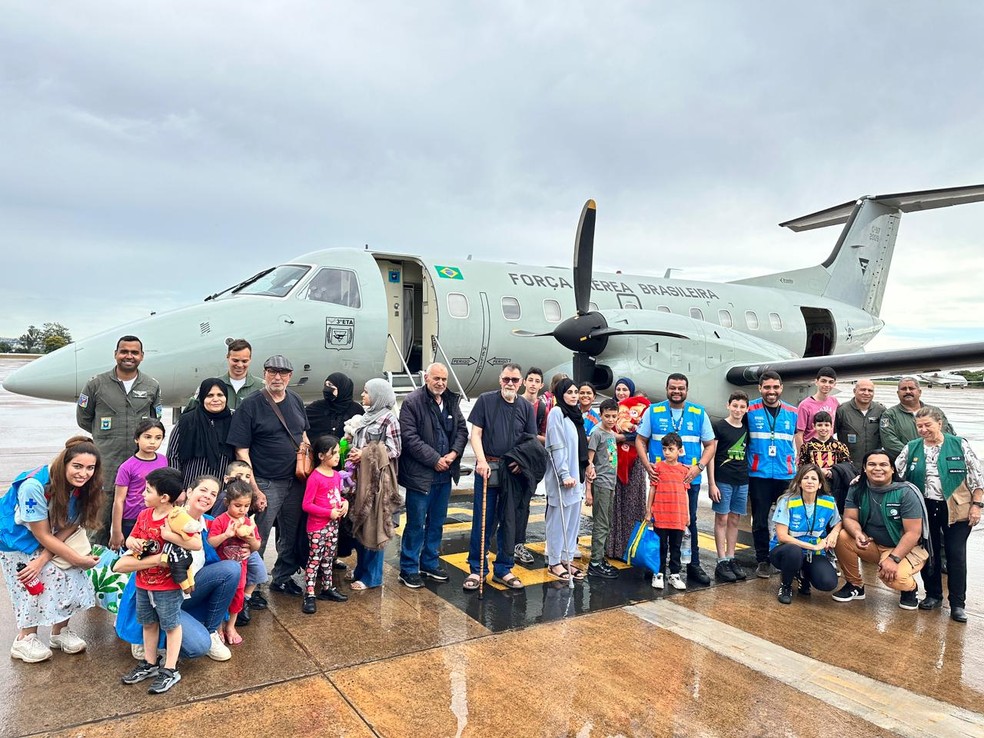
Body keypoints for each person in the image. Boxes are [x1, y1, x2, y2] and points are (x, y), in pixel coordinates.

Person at [114, 475, 240, 664]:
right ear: (188, 492)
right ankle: (146, 633)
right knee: (198, 647)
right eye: (203, 490)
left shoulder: (208, 523)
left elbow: (229, 550)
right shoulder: (164, 519)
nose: (207, 496)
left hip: (186, 592)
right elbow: (122, 565)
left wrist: (247, 548)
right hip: (158, 593)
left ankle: (211, 629)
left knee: (231, 569)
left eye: (213, 494)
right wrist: (159, 557)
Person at [1, 437, 102, 664]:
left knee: (70, 577)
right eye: (77, 466)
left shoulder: (86, 485)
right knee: (31, 583)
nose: (83, 473)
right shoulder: (33, 487)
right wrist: (73, 557)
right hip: (16, 539)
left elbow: (72, 523)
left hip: (51, 534)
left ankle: (59, 632)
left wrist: (49, 558)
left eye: (90, 468)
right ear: (64, 463)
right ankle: (25, 639)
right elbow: (41, 534)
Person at [227, 355, 310, 597]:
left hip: (295, 480)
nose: (277, 377)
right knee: (257, 537)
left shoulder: (295, 399)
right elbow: (241, 450)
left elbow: (303, 434)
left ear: (290, 376)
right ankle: (250, 588)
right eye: (272, 372)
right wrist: (255, 488)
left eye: (283, 373)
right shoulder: (251, 404)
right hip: (266, 481)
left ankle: (282, 578)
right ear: (264, 373)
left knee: (291, 532)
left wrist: (307, 466)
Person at [895, 407, 984, 622]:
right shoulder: (912, 447)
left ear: (940, 424)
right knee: (930, 553)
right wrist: (862, 478)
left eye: (928, 425)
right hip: (924, 508)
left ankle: (957, 603)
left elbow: (977, 476)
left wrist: (977, 505)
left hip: (957, 508)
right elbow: (894, 472)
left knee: (955, 555)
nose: (924, 429)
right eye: (920, 426)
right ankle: (933, 595)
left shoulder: (958, 444)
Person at [120, 468, 202, 694]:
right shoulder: (145, 515)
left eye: (147, 491)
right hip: (144, 580)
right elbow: (132, 537)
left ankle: (170, 669)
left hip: (167, 584)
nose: (142, 494)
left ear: (164, 497)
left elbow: (196, 544)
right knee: (148, 623)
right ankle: (149, 662)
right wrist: (132, 543)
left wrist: (169, 537)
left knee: (171, 625)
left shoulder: (177, 517)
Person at [77, 335, 162, 545]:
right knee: (97, 527)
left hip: (139, 469)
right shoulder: (96, 384)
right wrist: (106, 438)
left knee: (138, 530)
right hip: (106, 465)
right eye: (124, 351)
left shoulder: (151, 385)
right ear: (116, 354)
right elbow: (84, 418)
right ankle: (94, 572)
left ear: (141, 356)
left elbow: (154, 420)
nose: (129, 356)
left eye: (134, 352)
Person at [635, 373, 715, 585]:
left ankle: (692, 566)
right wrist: (646, 465)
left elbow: (710, 444)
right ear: (666, 388)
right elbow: (640, 440)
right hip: (660, 481)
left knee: (689, 523)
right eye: (673, 388)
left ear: (687, 390)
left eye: (681, 388)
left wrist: (699, 468)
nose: (676, 391)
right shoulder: (654, 411)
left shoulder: (699, 413)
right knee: (659, 525)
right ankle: (656, 567)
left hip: (688, 480)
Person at [464, 364, 538, 591]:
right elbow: (476, 434)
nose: (510, 384)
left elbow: (530, 440)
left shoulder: (525, 407)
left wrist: (521, 463)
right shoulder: (486, 400)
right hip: (489, 467)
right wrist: (481, 461)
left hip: (512, 472)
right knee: (483, 520)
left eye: (515, 380)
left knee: (509, 521)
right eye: (507, 379)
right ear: (500, 379)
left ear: (521, 383)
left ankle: (504, 569)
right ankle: (477, 570)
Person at [397, 363, 468, 589]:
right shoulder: (412, 402)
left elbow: (462, 431)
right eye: (436, 378)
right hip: (421, 476)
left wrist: (454, 454)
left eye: (444, 379)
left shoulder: (450, 401)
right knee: (416, 524)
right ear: (426, 377)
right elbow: (409, 438)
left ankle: (429, 562)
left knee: (437, 523)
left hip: (444, 475)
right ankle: (408, 568)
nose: (440, 383)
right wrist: (435, 459)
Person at [832, 449, 929, 610]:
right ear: (864, 468)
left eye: (883, 464)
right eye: (872, 464)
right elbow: (849, 518)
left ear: (892, 469)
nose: (877, 468)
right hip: (873, 545)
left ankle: (911, 589)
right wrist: (858, 533)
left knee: (894, 578)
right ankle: (855, 584)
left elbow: (913, 533)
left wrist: (893, 559)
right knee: (842, 536)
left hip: (904, 549)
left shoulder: (906, 492)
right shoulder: (857, 488)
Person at [346, 378, 402, 590]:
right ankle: (362, 570)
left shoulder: (389, 419)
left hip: (378, 483)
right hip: (360, 480)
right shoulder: (366, 417)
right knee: (360, 525)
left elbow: (394, 450)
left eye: (367, 392)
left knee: (375, 526)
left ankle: (373, 577)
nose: (362, 395)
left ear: (379, 395)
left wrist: (365, 453)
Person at [746, 371, 798, 579]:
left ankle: (786, 556)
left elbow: (800, 441)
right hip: (759, 473)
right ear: (760, 389)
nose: (771, 391)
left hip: (785, 474)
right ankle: (763, 560)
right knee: (759, 519)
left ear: (781, 388)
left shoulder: (792, 412)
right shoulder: (750, 410)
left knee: (788, 519)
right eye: (767, 387)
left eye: (775, 387)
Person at [768, 465, 842, 605]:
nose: (809, 481)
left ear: (820, 484)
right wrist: (812, 547)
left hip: (812, 553)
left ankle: (803, 575)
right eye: (805, 478)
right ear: (799, 482)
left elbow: (838, 522)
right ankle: (786, 585)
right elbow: (782, 536)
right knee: (794, 551)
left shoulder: (828, 502)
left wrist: (834, 533)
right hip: (785, 550)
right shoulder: (787, 501)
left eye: (814, 478)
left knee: (828, 582)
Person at [544, 379, 589, 582]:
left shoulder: (576, 415)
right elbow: (556, 446)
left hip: (576, 476)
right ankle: (554, 562)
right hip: (563, 478)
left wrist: (587, 467)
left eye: (575, 392)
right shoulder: (557, 413)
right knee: (558, 520)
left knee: (572, 522)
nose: (573, 395)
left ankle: (566, 558)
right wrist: (564, 474)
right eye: (569, 392)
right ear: (560, 394)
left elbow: (580, 446)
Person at [206, 480, 261, 643]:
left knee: (237, 599)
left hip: (240, 569)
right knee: (220, 599)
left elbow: (257, 545)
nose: (242, 510)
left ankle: (231, 626)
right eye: (238, 505)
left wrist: (251, 541)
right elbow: (210, 543)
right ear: (227, 502)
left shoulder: (249, 522)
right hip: (221, 569)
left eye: (246, 506)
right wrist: (226, 535)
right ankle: (218, 627)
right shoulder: (220, 521)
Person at [301, 434, 349, 612]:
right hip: (317, 527)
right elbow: (306, 504)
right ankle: (310, 593)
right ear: (321, 456)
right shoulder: (315, 477)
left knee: (329, 558)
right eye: (333, 453)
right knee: (315, 559)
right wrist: (328, 512)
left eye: (338, 452)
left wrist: (345, 502)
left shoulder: (336, 475)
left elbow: (337, 496)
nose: (338, 456)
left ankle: (327, 588)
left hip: (333, 525)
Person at [707, 391, 749, 583]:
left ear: (746, 409)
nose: (738, 410)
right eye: (735, 406)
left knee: (734, 519)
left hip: (741, 480)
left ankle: (731, 557)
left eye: (742, 407)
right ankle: (721, 559)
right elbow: (712, 456)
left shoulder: (746, 427)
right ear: (728, 405)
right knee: (722, 518)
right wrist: (712, 483)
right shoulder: (719, 427)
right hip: (723, 480)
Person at [607, 379, 650, 562]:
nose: (621, 392)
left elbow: (642, 433)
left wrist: (621, 437)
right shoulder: (611, 409)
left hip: (635, 461)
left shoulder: (639, 410)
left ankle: (631, 547)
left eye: (625, 389)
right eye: (618, 389)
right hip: (614, 461)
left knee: (633, 503)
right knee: (615, 504)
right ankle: (613, 548)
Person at [111, 419, 168, 550]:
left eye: (158, 438)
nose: (153, 442)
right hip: (131, 520)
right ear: (137, 439)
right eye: (147, 437)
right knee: (132, 555)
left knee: (151, 554)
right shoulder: (127, 467)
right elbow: (119, 500)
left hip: (157, 517)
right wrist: (116, 531)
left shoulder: (163, 460)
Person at [168, 378, 236, 488]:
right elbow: (173, 457)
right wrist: (177, 489)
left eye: (220, 395)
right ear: (202, 397)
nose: (216, 399)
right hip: (190, 487)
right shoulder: (187, 421)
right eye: (210, 395)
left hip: (224, 490)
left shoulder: (235, 420)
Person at [645, 433, 690, 591]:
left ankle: (675, 574)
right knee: (661, 546)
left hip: (677, 516)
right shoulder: (658, 468)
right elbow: (652, 489)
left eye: (671, 449)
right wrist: (649, 510)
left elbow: (685, 493)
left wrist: (688, 514)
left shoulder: (684, 470)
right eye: (665, 449)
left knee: (676, 546)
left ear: (679, 450)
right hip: (662, 514)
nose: (667, 452)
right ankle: (658, 573)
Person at [514, 366, 548, 564]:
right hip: (511, 459)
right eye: (531, 380)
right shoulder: (514, 402)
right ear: (524, 382)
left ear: (541, 385)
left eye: (537, 381)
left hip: (529, 462)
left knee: (524, 504)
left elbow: (545, 435)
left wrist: (531, 437)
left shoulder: (542, 408)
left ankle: (519, 543)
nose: (533, 384)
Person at [880, 376, 954, 462]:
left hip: (937, 462)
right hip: (905, 463)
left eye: (911, 388)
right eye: (904, 389)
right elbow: (889, 442)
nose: (908, 391)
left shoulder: (935, 411)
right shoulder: (889, 415)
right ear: (898, 393)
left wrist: (931, 454)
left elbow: (947, 434)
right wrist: (915, 455)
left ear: (919, 392)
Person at [586, 399, 620, 578]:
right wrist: (588, 490)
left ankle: (600, 557)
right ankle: (595, 562)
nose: (611, 419)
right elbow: (589, 462)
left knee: (606, 523)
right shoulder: (597, 433)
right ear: (601, 415)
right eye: (607, 416)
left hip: (610, 484)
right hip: (600, 484)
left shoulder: (611, 434)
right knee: (600, 524)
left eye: (614, 416)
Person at [183, 338, 262, 412]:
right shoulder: (210, 385)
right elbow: (189, 415)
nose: (240, 365)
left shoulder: (262, 387)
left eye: (244, 361)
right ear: (227, 357)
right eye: (235, 360)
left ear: (250, 360)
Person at [834, 379, 886, 463]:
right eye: (862, 390)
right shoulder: (842, 411)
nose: (866, 393)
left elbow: (887, 435)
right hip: (849, 463)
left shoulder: (881, 411)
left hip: (873, 463)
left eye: (870, 390)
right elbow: (829, 435)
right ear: (854, 391)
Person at [305, 372, 365, 439]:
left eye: (330, 385)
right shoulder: (317, 407)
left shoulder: (355, 409)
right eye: (326, 385)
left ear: (342, 388)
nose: (327, 389)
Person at [795, 367, 839, 446]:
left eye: (830, 382)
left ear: (835, 384)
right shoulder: (805, 405)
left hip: (828, 452)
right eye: (823, 381)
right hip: (811, 451)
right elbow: (799, 434)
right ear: (816, 382)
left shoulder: (834, 402)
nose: (827, 385)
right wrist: (802, 455)